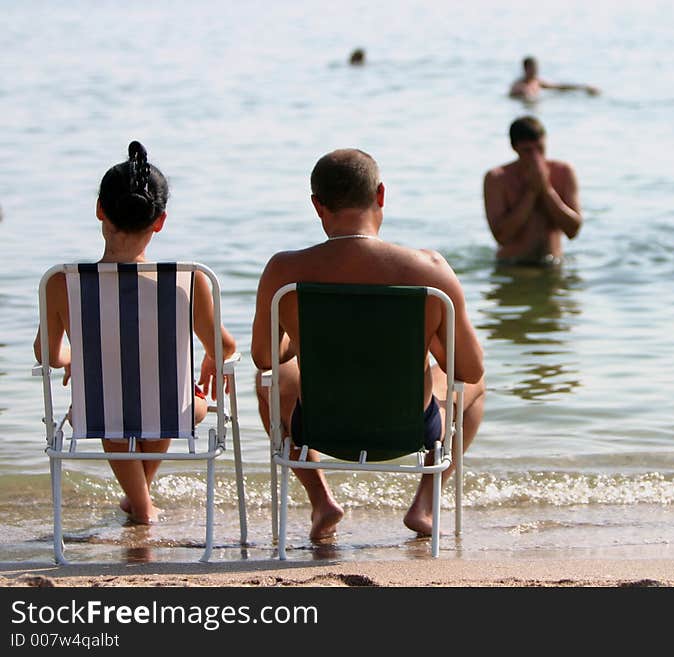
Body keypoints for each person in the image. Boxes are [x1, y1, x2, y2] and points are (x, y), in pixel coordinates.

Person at [250, 148, 485, 540]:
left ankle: (322, 501)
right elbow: (470, 369)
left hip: (320, 426)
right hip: (410, 428)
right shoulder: (429, 270)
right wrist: (432, 346)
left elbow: (264, 358)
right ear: (380, 195)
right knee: (477, 387)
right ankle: (425, 503)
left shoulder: (284, 270)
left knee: (269, 383)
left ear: (317, 205)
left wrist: (302, 338)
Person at [33, 141, 237, 524]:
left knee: (110, 408)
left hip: (97, 412)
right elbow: (224, 346)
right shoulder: (187, 281)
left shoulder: (61, 282)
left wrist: (75, 356)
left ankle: (137, 501)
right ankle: (143, 507)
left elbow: (46, 354)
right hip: (168, 410)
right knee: (180, 400)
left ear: (99, 210)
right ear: (160, 221)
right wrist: (213, 355)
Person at [483, 116, 582, 265]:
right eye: (528, 151)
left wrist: (546, 190)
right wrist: (531, 192)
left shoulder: (564, 172)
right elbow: (502, 236)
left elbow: (573, 230)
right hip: (512, 266)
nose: (536, 157)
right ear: (514, 147)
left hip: (552, 264)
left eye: (540, 149)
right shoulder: (496, 178)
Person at [509, 56, 600, 100]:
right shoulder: (518, 86)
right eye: (532, 69)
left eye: (536, 69)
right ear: (525, 69)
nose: (535, 72)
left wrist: (584, 88)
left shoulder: (537, 82)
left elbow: (559, 87)